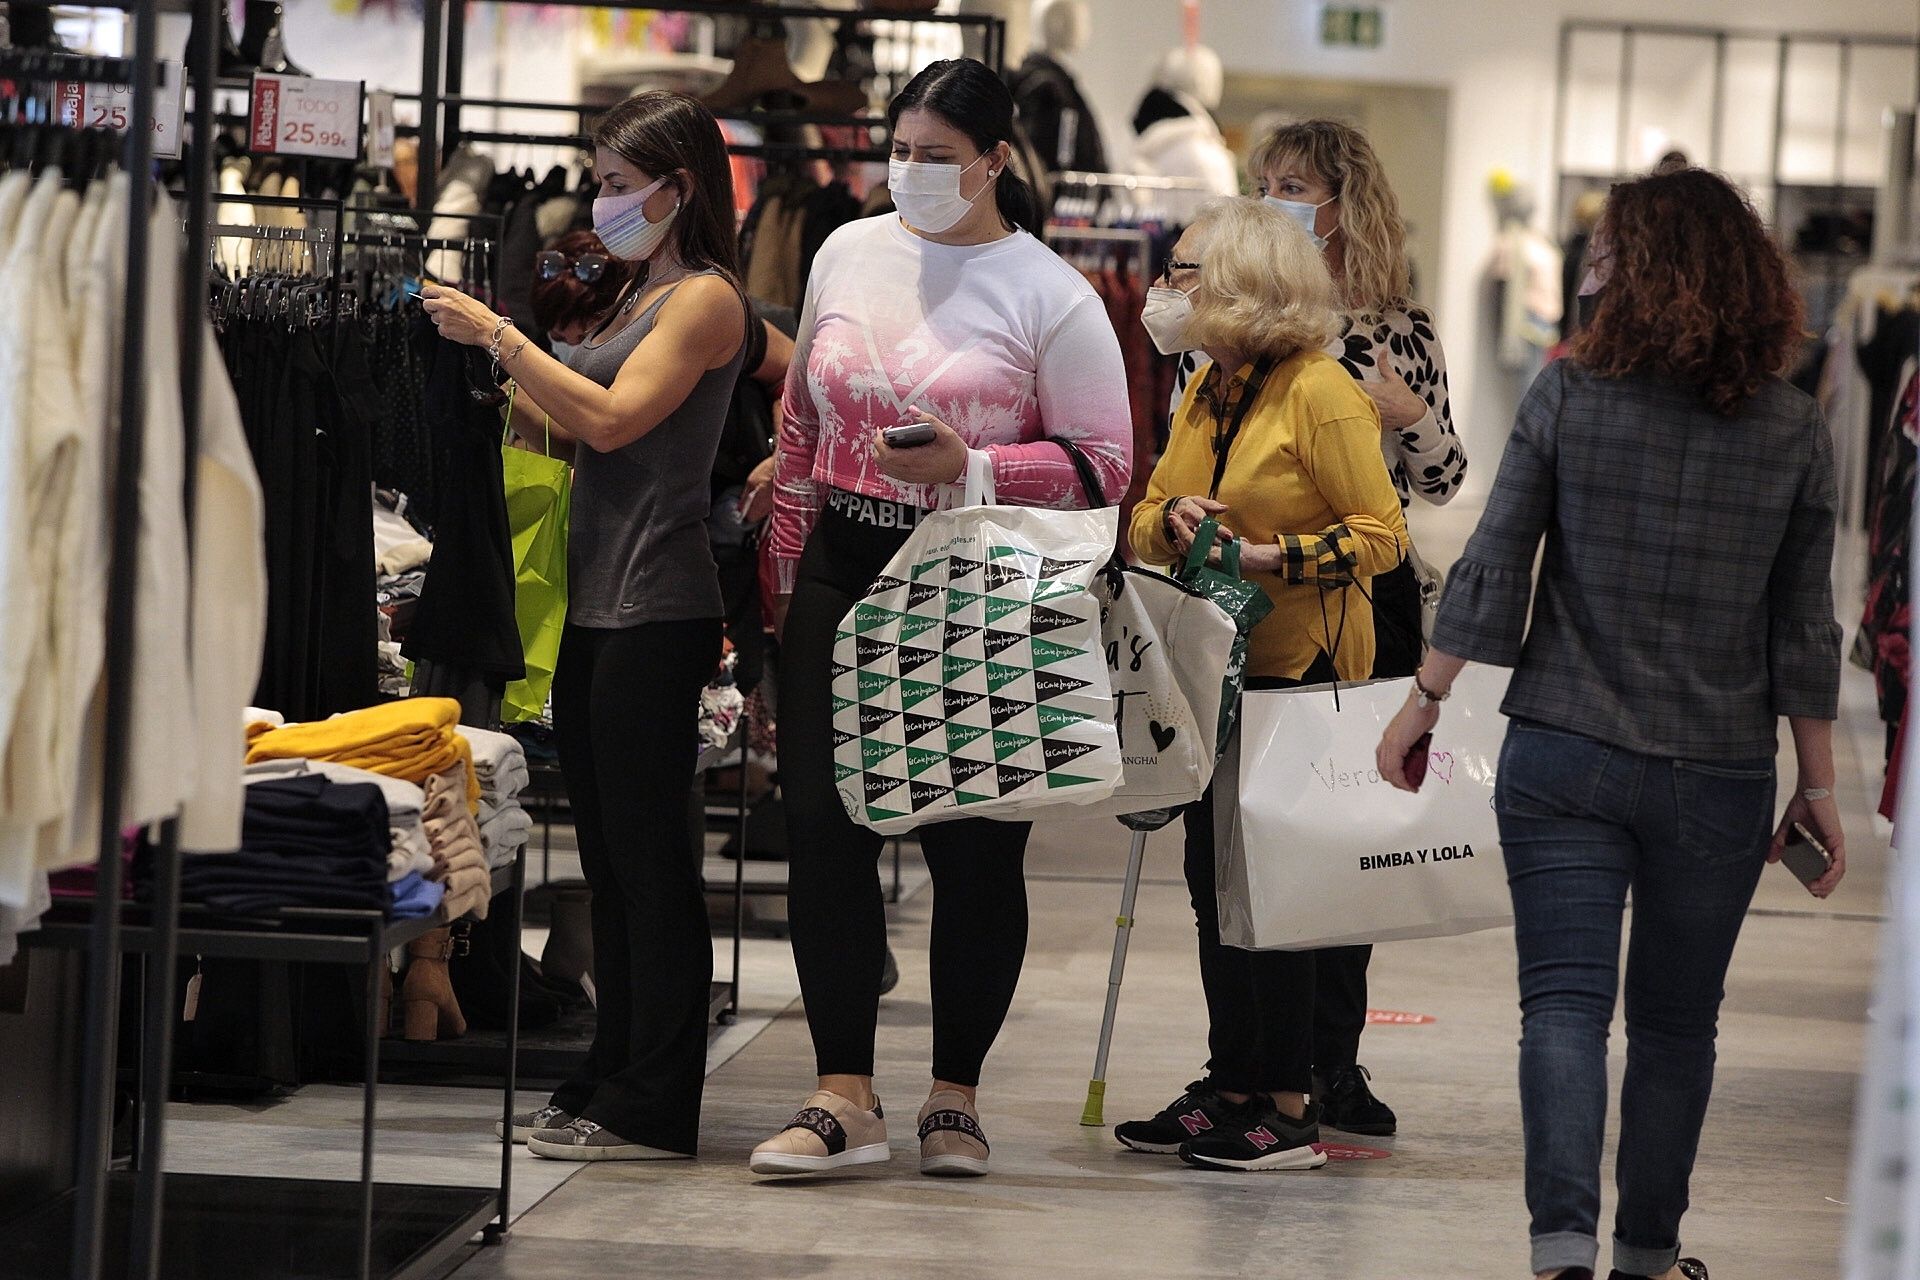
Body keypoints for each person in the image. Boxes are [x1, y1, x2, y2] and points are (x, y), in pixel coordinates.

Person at [1373, 167, 1846, 1280]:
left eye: (1606, 249)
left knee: (1564, 1012)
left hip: (1564, 752)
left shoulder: (1567, 394)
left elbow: (1495, 564)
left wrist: (1422, 699)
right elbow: (1802, 626)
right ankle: (1646, 1254)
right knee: (1679, 1028)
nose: (1588, 267)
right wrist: (1817, 785)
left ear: (1634, 271)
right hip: (1717, 767)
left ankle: (1560, 1253)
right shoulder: (1792, 429)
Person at [751, 56, 1131, 1179]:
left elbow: (1108, 468)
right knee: (826, 831)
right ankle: (842, 1091)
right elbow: (799, 428)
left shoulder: (1051, 292)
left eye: (936, 157)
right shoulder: (843, 250)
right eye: (899, 151)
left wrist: (979, 461)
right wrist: (782, 580)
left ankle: (954, 1094)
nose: (909, 174)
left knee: (974, 839)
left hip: (977, 575)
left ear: (997, 163)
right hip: (842, 559)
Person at [422, 89, 753, 1162]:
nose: (601, 203)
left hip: (659, 603)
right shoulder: (628, 294)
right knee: (610, 860)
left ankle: (657, 1097)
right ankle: (616, 1069)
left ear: (678, 185)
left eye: (616, 185)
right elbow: (567, 426)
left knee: (653, 863)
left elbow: (612, 421)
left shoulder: (703, 301)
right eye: (601, 181)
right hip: (594, 601)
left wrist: (502, 334)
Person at [1169, 116, 1468, 1136]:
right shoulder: (1227, 319)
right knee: (1232, 840)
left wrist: (1406, 416)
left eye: (1294, 182)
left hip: (1358, 592)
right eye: (1265, 180)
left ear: (1345, 204)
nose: (1273, 195)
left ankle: (1326, 1060)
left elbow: (1440, 482)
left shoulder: (1392, 328)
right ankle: (1244, 1065)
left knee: (1333, 833)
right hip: (1233, 593)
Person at [1118, 196, 1407, 1172]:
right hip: (1215, 667)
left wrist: (1271, 553)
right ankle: (1234, 1078)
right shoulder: (1211, 386)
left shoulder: (1320, 390)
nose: (1167, 289)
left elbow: (1384, 534)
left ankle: (1290, 1099)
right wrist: (1177, 521)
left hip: (1301, 672)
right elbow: (1151, 506)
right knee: (1215, 884)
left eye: (1186, 272)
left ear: (1244, 283)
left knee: (1276, 893)